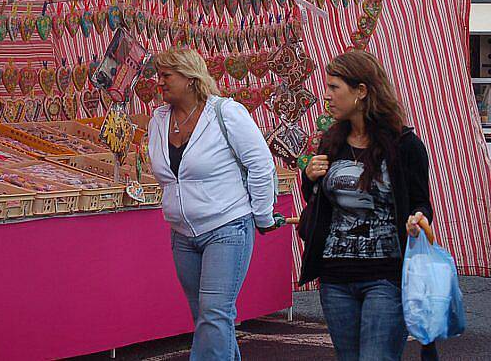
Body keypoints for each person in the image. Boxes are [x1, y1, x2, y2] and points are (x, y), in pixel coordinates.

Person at [299, 50, 434, 361]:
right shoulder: (330, 142)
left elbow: (420, 201)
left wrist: (417, 218)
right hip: (334, 278)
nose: (327, 96)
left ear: (361, 92)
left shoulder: (405, 145)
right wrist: (310, 179)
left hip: (385, 276)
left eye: (335, 87)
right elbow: (318, 202)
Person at [147, 47, 280, 361]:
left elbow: (261, 165)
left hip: (227, 226)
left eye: (167, 75)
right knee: (207, 318)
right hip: (182, 233)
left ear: (190, 78)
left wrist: (262, 215)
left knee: (214, 313)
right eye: (159, 75)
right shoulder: (158, 119)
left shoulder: (226, 112)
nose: (160, 83)